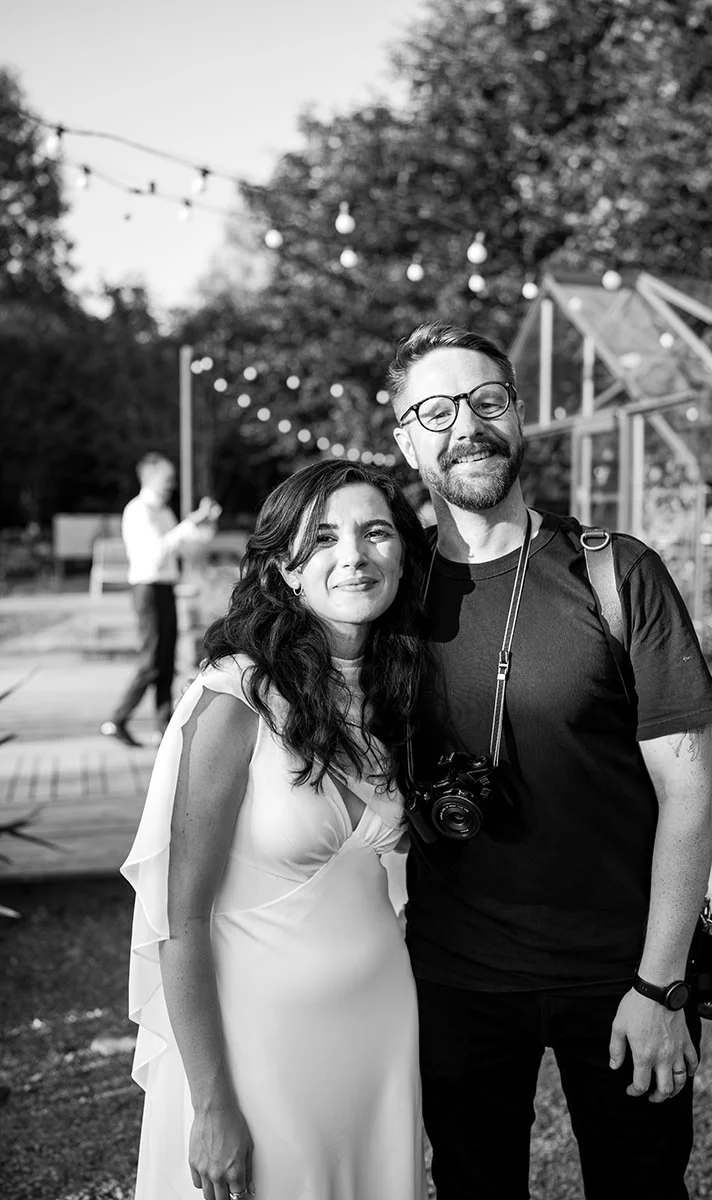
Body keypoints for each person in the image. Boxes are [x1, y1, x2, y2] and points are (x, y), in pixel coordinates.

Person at [387, 320, 712, 1200]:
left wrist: (660, 989)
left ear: (518, 412)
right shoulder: (386, 596)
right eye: (435, 409)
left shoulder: (620, 573)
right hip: (454, 981)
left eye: (485, 399)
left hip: (619, 975)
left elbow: (689, 793)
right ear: (405, 437)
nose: (466, 424)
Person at [121, 460, 430, 1200]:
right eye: (321, 537)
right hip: (256, 1054)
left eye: (375, 532)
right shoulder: (233, 699)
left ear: (402, 556)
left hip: (379, 1038)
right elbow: (177, 916)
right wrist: (212, 1102)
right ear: (285, 568)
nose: (353, 555)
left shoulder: (401, 690)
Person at [101, 453, 221, 747]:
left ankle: (164, 725)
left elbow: (186, 547)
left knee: (166, 659)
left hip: (166, 588)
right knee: (152, 660)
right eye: (167, 478)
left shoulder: (165, 512)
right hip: (147, 589)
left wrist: (206, 524)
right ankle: (116, 719)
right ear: (150, 477)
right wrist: (188, 523)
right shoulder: (138, 511)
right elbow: (156, 554)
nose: (171, 484)